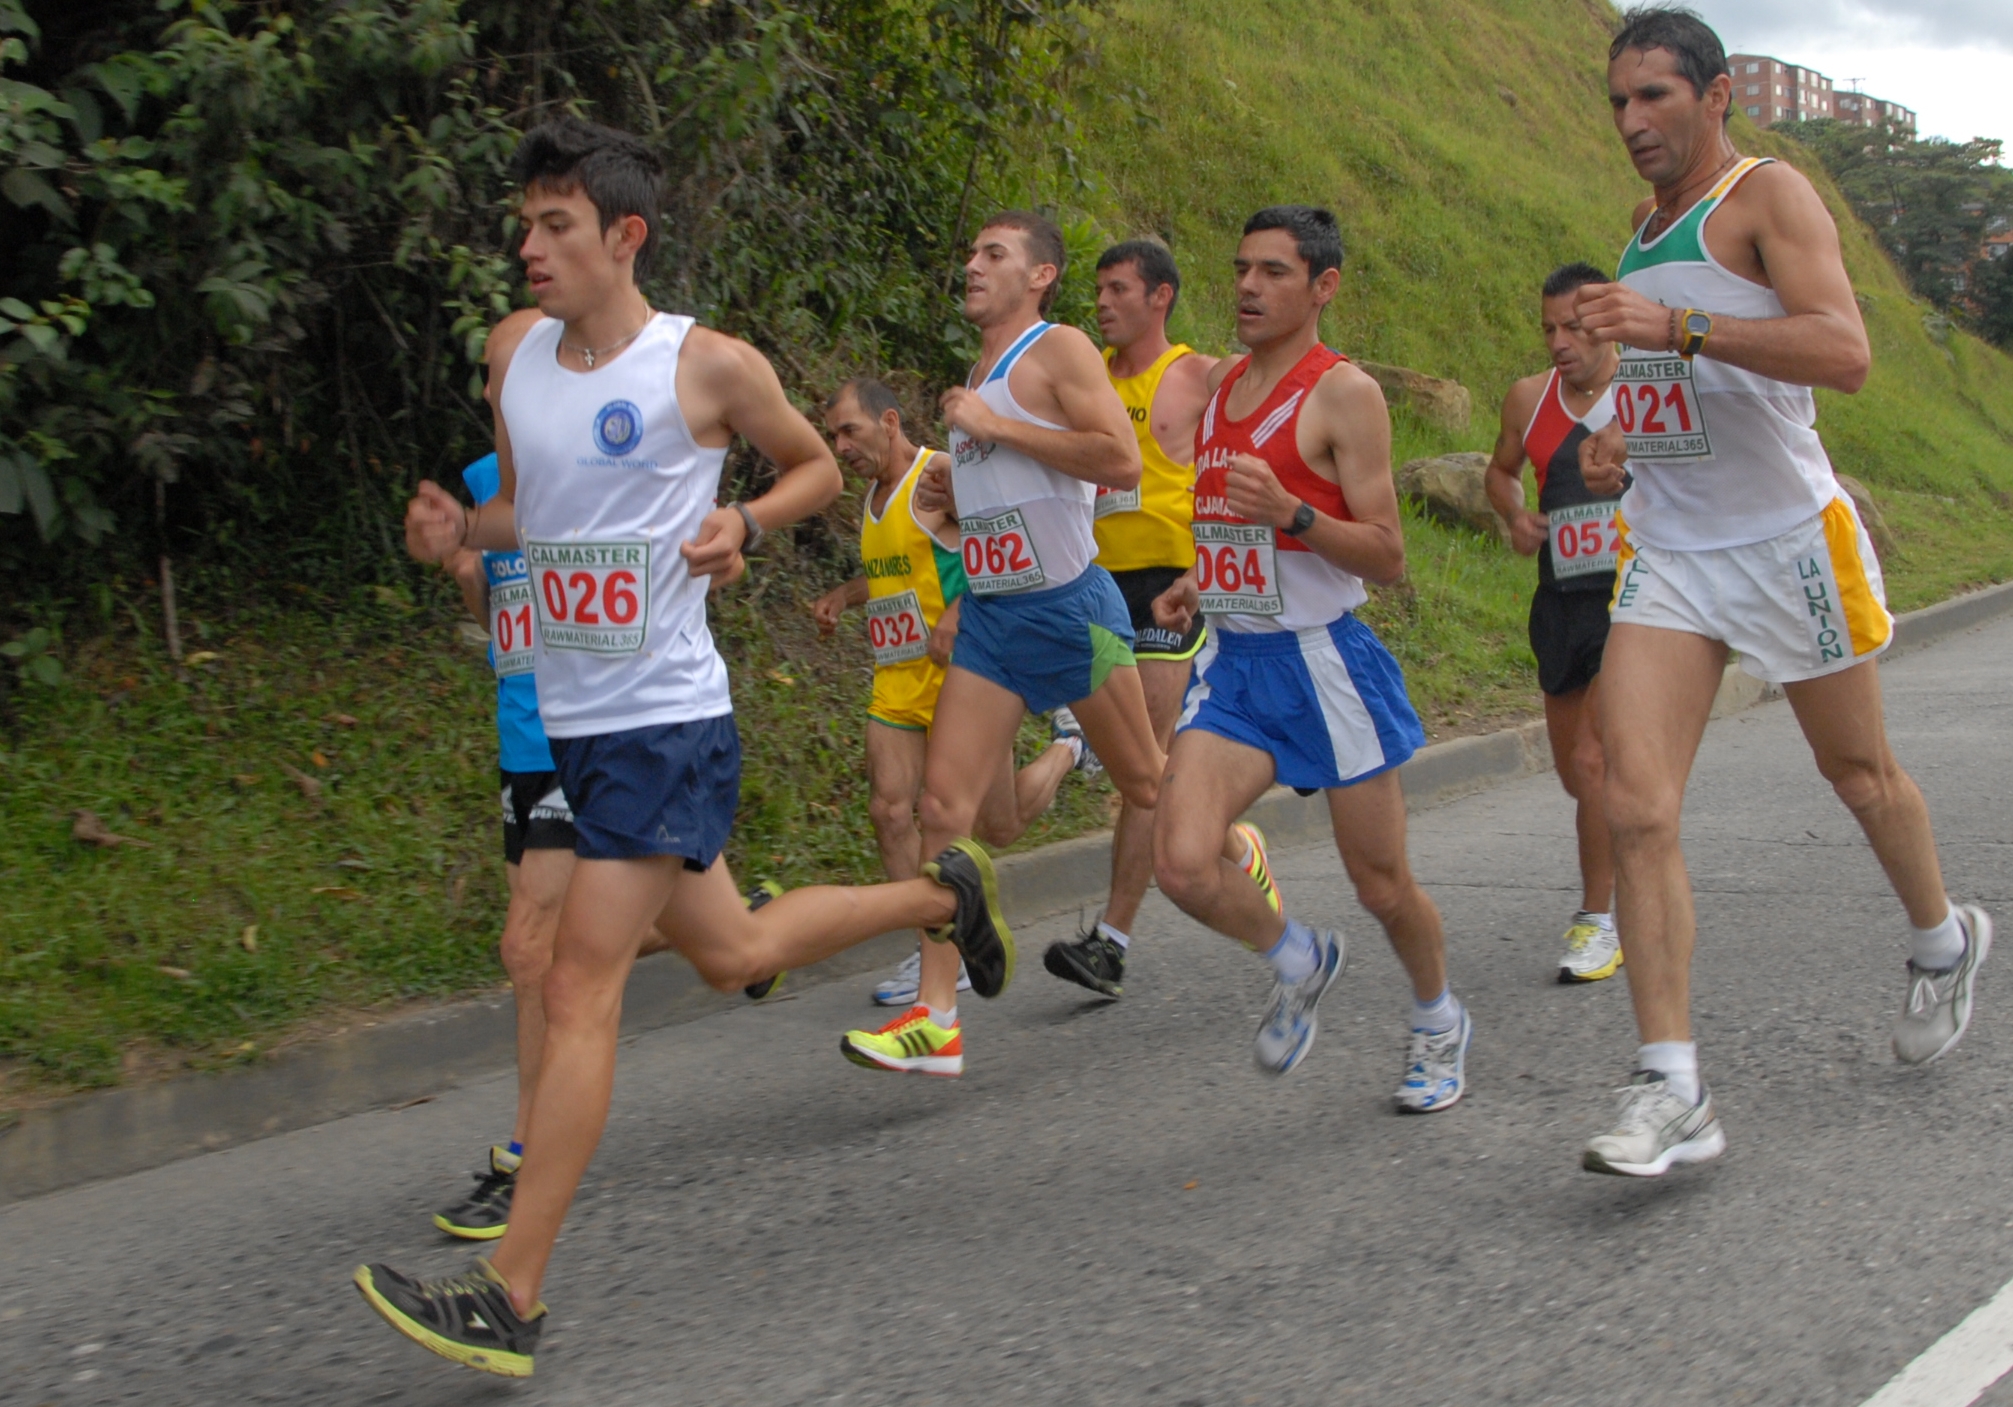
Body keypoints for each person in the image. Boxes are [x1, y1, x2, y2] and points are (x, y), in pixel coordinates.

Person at [356, 117, 1016, 1378]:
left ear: (625, 235)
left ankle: (511, 1293)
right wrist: (461, 532)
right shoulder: (518, 361)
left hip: (662, 720)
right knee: (736, 953)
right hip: (573, 723)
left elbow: (816, 469)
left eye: (556, 225)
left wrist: (745, 528)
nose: (531, 246)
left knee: (577, 983)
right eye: (525, 223)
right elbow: (529, 514)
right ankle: (945, 896)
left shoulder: (702, 366)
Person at [1571, 6, 1990, 1178]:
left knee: (1858, 774)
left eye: (1654, 95)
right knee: (1635, 803)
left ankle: (1943, 938)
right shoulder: (1643, 226)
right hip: (1674, 549)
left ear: (1715, 97)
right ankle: (1672, 1087)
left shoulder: (1769, 196)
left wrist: (1681, 325)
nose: (1632, 120)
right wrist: (1621, 432)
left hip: (1788, 542)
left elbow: (1842, 352)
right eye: (1618, 100)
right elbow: (1673, 375)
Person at [858, 209, 1237, 1075]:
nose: (971, 264)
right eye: (970, 251)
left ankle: (1233, 844)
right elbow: (1014, 495)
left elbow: (1119, 460)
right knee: (950, 811)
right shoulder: (977, 372)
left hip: (1072, 611)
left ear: (1038, 276)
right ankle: (937, 1017)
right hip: (995, 617)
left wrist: (993, 431)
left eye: (992, 253)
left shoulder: (1057, 348)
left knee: (1146, 781)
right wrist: (956, 492)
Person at [1151, 205, 1470, 1108]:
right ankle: (1297, 957)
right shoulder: (1222, 385)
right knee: (1180, 863)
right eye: (1241, 268)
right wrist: (1200, 579)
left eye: (1273, 272)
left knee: (1381, 885)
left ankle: (1438, 1019)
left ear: (1322, 286)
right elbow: (1233, 525)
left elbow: (1387, 554)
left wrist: (1293, 513)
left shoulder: (1343, 394)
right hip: (1235, 664)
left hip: (1323, 665)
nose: (1248, 287)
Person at [812, 377, 1092, 1063]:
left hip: (966, 676)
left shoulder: (937, 475)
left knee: (997, 825)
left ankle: (1069, 746)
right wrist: (844, 596)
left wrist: (962, 612)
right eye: (833, 436)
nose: (840, 446)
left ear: (888, 420)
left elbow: (1000, 552)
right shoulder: (872, 500)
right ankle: (933, 945)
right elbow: (894, 573)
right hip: (897, 680)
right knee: (888, 810)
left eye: (849, 431)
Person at [1039, 240, 1219, 999]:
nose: (1103, 302)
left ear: (1160, 297)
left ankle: (1110, 942)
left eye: (1119, 289)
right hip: (1088, 582)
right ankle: (1232, 844)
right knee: (1138, 767)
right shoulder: (1081, 377)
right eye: (1099, 289)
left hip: (1164, 588)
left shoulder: (1196, 374)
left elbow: (1250, 451)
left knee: (1142, 755)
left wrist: (1206, 568)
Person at [1482, 262, 1625, 984]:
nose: (1559, 342)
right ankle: (1635, 840)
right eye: (1548, 329)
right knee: (1577, 775)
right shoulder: (1527, 398)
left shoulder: (1643, 392)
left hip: (1634, 600)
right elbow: (1499, 471)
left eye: (1574, 327)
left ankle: (1597, 920)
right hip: (1561, 599)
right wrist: (1515, 515)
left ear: (1609, 323)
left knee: (1595, 762)